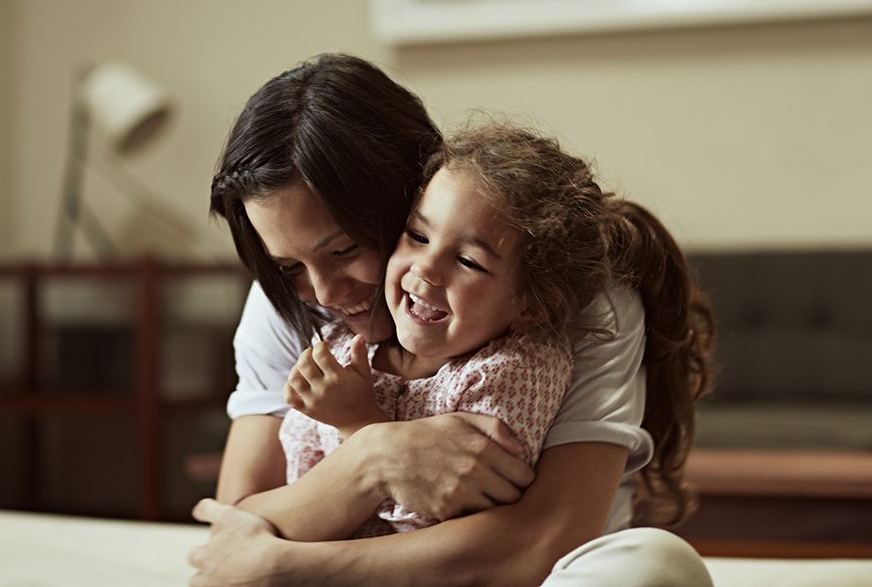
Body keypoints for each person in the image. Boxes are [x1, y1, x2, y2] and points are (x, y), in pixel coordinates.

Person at [190, 53, 715, 586]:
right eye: (288, 265)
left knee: (654, 566)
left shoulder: (582, 299)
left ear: (416, 194)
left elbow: (539, 540)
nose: (324, 292)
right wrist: (373, 457)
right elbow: (235, 529)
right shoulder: (291, 298)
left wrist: (290, 565)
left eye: (345, 249)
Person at [280, 126, 598, 537]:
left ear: (531, 307)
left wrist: (361, 425)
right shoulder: (343, 348)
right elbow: (296, 485)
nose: (426, 268)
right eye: (417, 236)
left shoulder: (513, 372)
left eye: (468, 261)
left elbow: (452, 522)